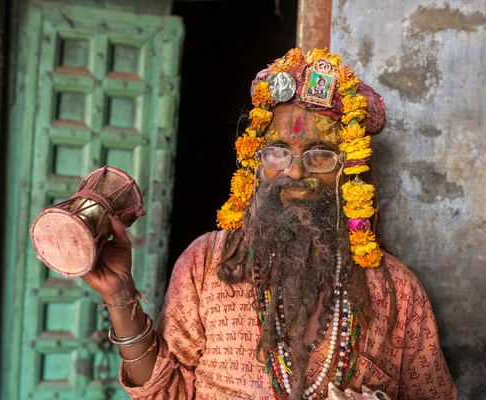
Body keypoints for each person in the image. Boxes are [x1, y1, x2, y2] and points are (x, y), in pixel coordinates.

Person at [82, 48, 457, 400]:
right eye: (278, 151)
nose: (294, 171)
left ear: (352, 170)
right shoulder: (206, 263)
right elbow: (166, 392)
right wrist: (119, 296)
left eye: (320, 155)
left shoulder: (399, 293)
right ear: (256, 163)